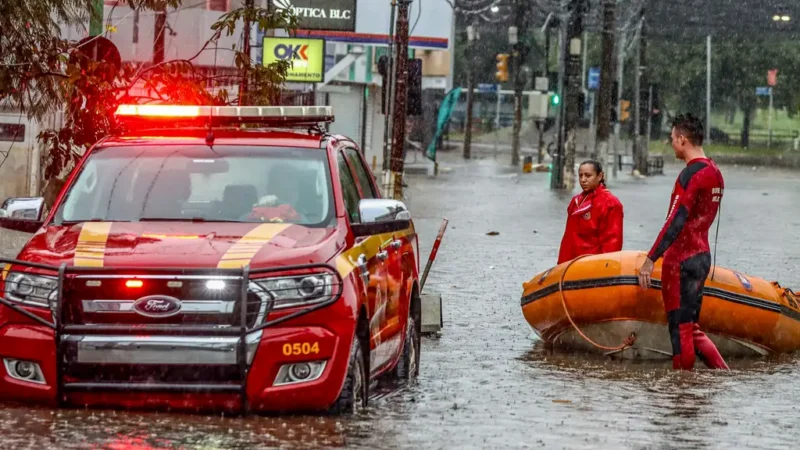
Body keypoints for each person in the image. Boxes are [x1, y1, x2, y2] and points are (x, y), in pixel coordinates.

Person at [637, 113, 729, 371]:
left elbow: (675, 220)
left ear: (682, 139)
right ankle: (723, 375)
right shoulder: (715, 172)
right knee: (691, 327)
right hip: (702, 257)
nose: (671, 144)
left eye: (672, 139)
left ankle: (682, 390)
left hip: (681, 260)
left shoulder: (691, 175)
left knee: (680, 330)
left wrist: (651, 258)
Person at [557, 160, 624, 264]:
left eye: (588, 176)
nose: (583, 180)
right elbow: (568, 239)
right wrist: (561, 264)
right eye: (580, 176)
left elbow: (612, 244)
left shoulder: (610, 204)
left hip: (590, 267)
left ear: (600, 176)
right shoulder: (576, 201)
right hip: (568, 265)